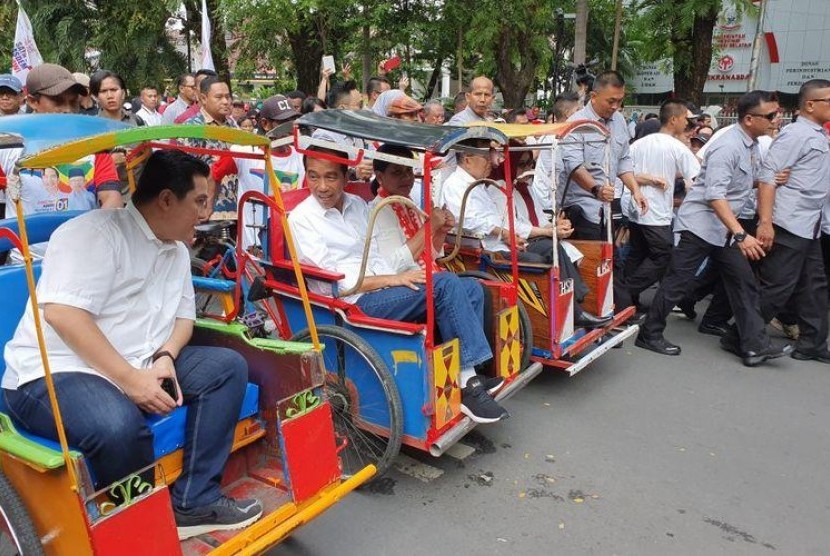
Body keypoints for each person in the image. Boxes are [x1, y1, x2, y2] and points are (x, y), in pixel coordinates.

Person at [2, 150, 262, 538]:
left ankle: (194, 501)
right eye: (200, 201)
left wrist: (164, 356)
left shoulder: (174, 248)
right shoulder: (92, 234)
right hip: (55, 370)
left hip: (139, 360)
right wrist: (129, 379)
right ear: (167, 200)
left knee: (227, 368)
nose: (205, 214)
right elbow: (63, 314)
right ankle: (136, 530)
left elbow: (183, 318)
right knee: (117, 426)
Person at [289, 147, 508, 424]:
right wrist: (394, 279)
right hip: (353, 303)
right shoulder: (301, 219)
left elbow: (384, 258)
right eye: (313, 177)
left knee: (471, 288)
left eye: (331, 177)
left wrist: (402, 274)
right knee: (446, 284)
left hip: (387, 286)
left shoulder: (358, 205)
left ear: (346, 177)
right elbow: (331, 285)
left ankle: (467, 375)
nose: (322, 187)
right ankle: (469, 386)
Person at [636, 90, 790, 367]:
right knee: (676, 282)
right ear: (748, 119)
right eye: (769, 116)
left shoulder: (752, 145)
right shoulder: (728, 146)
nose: (775, 120)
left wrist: (768, 180)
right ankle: (649, 333)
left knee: (744, 281)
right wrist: (741, 234)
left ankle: (750, 344)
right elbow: (715, 195)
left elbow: (738, 185)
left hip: (723, 229)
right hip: (702, 226)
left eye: (776, 115)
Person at [752, 79, 830, 363]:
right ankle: (742, 337)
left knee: (814, 285)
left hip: (810, 224)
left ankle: (813, 344)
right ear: (810, 104)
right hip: (789, 221)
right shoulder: (796, 134)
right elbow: (767, 178)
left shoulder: (819, 135)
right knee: (778, 286)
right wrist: (765, 222)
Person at [0, 64, 122, 225]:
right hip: (26, 250)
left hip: (82, 246)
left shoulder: (94, 147)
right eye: (57, 101)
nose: (67, 110)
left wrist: (92, 232)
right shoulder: (7, 147)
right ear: (32, 102)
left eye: (73, 102)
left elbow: (112, 199)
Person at [620, 100, 701, 310]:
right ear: (674, 119)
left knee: (637, 254)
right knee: (663, 255)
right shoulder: (677, 147)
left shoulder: (637, 145)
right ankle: (624, 293)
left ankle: (628, 303)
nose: (688, 124)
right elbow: (698, 179)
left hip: (636, 209)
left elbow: (624, 172)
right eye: (686, 119)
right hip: (655, 212)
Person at [558, 71, 648, 242]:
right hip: (581, 208)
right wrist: (596, 189)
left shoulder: (620, 121)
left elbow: (623, 160)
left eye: (620, 101)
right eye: (611, 101)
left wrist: (636, 190)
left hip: (606, 209)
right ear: (594, 96)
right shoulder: (575, 124)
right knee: (586, 265)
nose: (615, 106)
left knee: (607, 263)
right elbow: (574, 167)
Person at [211, 94, 304, 248]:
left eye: (291, 122)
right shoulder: (244, 152)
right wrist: (208, 207)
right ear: (265, 124)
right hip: (253, 248)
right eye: (282, 123)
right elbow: (213, 174)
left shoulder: (300, 156)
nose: (289, 129)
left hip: (290, 244)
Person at [182, 77, 238, 215]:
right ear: (203, 98)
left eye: (227, 97)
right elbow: (185, 173)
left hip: (237, 208)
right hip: (206, 212)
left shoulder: (234, 126)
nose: (225, 102)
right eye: (219, 97)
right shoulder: (192, 128)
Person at [532, 91, 580, 211]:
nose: (582, 115)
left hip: (556, 201)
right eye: (578, 111)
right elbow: (566, 171)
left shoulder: (565, 136)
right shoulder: (554, 139)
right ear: (568, 113)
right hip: (548, 203)